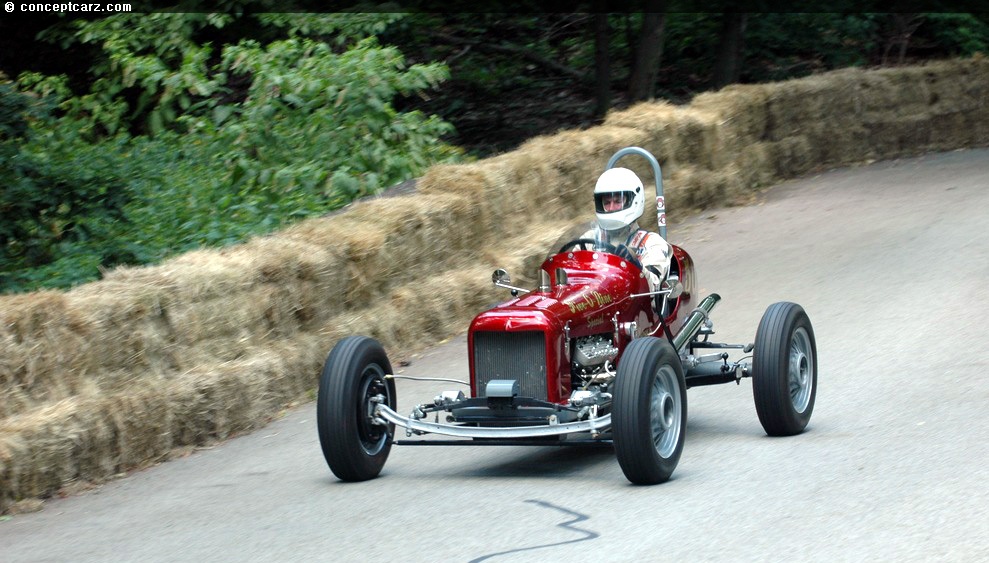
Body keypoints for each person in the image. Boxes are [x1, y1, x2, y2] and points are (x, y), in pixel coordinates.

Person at [585, 167, 672, 293]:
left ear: (634, 201)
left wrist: (635, 265)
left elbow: (653, 287)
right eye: (607, 202)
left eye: (617, 201)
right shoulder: (589, 238)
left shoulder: (652, 242)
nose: (611, 208)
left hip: (634, 307)